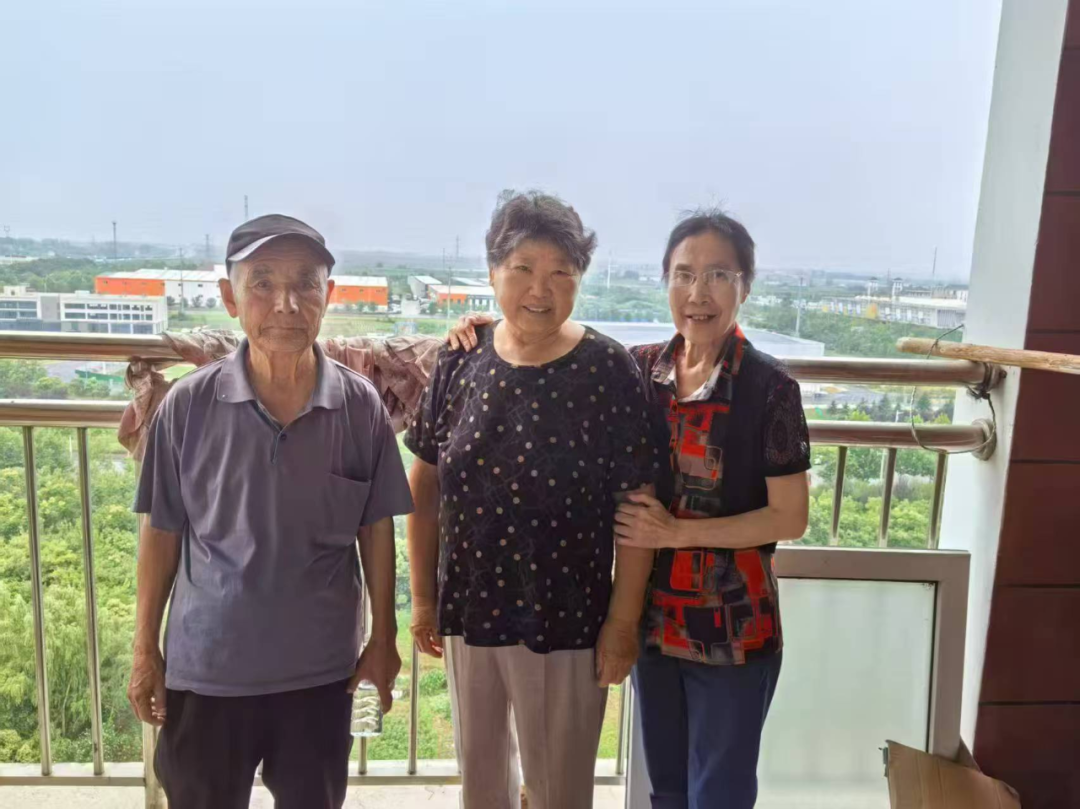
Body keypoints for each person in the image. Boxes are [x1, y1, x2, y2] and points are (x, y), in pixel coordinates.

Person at [448, 209, 810, 809]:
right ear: (666, 281)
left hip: (731, 628)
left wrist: (675, 533)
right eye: (684, 274)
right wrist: (484, 325)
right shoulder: (642, 369)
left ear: (745, 285)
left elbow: (789, 517)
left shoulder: (770, 389)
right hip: (654, 622)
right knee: (666, 788)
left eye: (719, 275)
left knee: (718, 793)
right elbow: (551, 343)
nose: (699, 293)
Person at [127, 214, 414, 809]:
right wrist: (144, 649)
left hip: (322, 674)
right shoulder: (187, 406)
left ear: (328, 295)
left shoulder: (359, 406)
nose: (286, 303)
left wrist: (383, 639)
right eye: (262, 282)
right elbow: (162, 530)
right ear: (230, 298)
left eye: (305, 283)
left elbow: (376, 528)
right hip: (208, 670)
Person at [405, 191, 660, 809]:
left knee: (558, 792)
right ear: (493, 272)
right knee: (481, 785)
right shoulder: (460, 359)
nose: (539, 290)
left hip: (566, 620)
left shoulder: (607, 369)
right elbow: (425, 483)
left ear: (580, 279)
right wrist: (423, 600)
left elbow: (638, 506)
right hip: (470, 611)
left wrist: (622, 623)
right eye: (521, 269)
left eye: (560, 273)